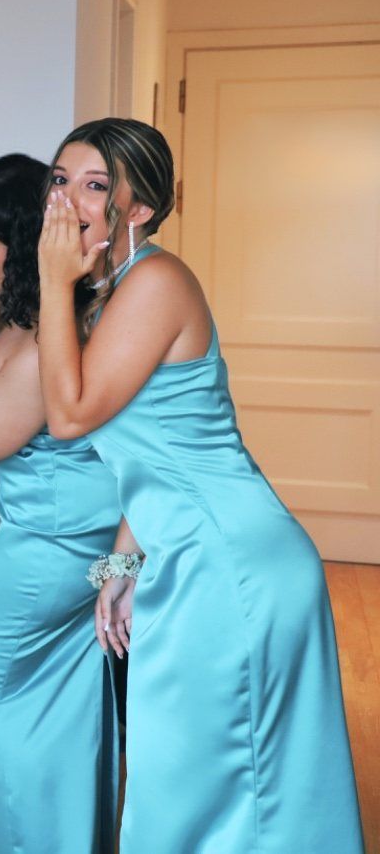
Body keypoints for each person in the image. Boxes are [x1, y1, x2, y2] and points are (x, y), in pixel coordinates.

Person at [36, 117, 362, 850]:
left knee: (212, 791)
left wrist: (53, 282)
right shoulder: (109, 291)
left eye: (94, 184)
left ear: (141, 208)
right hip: (186, 558)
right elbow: (151, 456)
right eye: (59, 179)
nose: (66, 199)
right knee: (182, 780)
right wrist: (119, 567)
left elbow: (68, 417)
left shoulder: (156, 281)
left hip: (232, 565)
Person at [0, 154, 120, 852]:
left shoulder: (49, 333)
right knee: (62, 706)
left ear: (21, 253)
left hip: (51, 550)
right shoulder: (34, 315)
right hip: (80, 545)